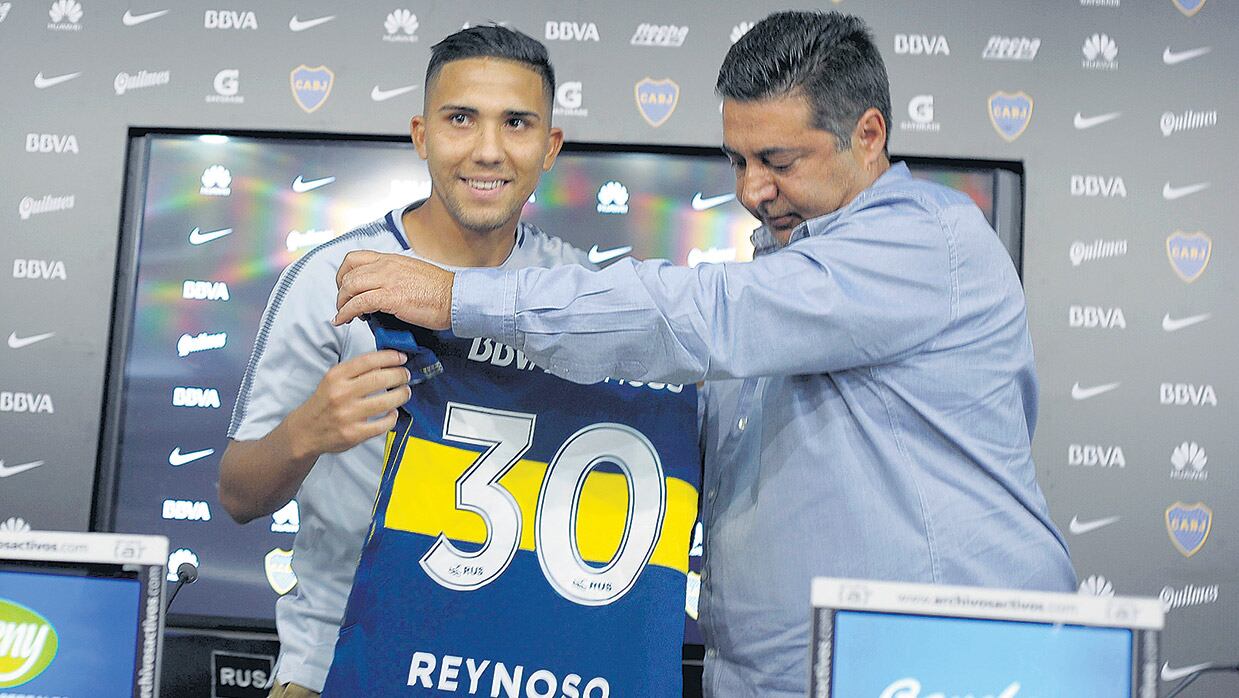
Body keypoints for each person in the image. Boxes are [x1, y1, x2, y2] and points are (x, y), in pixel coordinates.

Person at [331, 10, 1078, 697]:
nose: (753, 190)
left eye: (778, 160)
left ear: (868, 135)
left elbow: (697, 315)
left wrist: (459, 297)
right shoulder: (784, 270)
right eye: (737, 159)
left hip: (940, 665)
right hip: (778, 672)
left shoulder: (924, 241)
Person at [218, 25, 587, 698]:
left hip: (517, 668)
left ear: (549, 147)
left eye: (516, 123)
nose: (487, 149)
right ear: (421, 135)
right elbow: (239, 496)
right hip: (338, 661)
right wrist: (308, 430)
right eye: (460, 119)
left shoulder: (585, 293)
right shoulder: (331, 276)